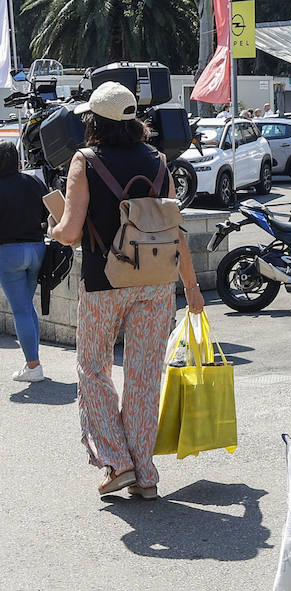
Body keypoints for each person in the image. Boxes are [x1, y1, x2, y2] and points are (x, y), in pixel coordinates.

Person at [49, 81, 204, 499]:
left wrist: (53, 226)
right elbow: (175, 230)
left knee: (94, 369)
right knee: (143, 377)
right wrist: (191, 287)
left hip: (104, 283)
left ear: (93, 120)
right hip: (156, 283)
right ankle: (146, 475)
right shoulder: (158, 161)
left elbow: (71, 231)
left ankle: (118, 462)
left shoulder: (84, 161)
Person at [0, 142, 50, 382]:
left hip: (8, 254)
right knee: (27, 307)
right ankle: (32, 362)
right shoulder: (33, 182)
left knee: (20, 309)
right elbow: (48, 213)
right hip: (37, 250)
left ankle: (34, 366)